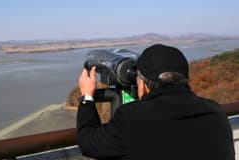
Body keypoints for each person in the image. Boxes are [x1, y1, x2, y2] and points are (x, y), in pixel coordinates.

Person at [77, 44, 235, 160]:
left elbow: (88, 143)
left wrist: (87, 98)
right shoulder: (216, 113)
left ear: (143, 85)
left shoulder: (132, 118)